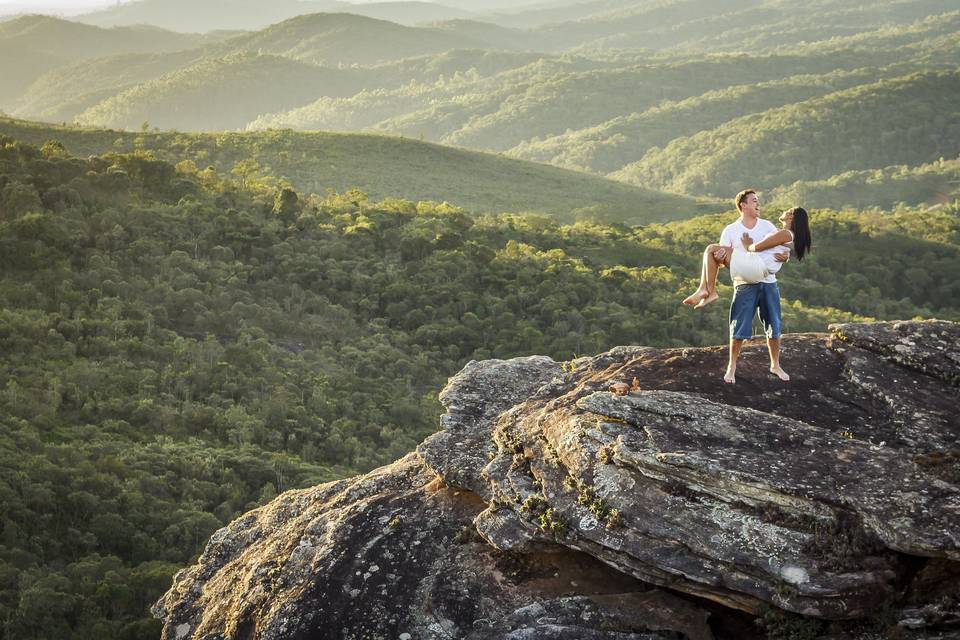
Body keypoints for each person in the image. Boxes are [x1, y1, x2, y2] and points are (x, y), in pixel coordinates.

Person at [682, 190, 811, 383]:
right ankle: (732, 366)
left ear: (791, 216)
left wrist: (751, 246)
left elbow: (769, 246)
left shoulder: (770, 226)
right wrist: (722, 255)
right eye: (754, 201)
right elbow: (779, 247)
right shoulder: (731, 230)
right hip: (746, 279)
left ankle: (708, 290)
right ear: (743, 205)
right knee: (739, 327)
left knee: (774, 326)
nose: (759, 204)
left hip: (763, 277)